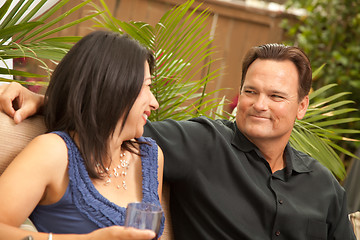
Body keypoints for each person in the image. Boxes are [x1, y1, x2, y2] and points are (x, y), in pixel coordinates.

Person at [0, 43, 356, 239]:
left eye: (276, 96)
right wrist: (43, 100)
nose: (259, 105)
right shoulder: (200, 143)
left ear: (302, 107)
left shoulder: (324, 187)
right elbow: (107, 118)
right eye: (250, 91)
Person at [0, 31, 164, 240]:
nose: (154, 103)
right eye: (147, 87)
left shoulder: (150, 157)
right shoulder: (54, 152)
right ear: (114, 87)